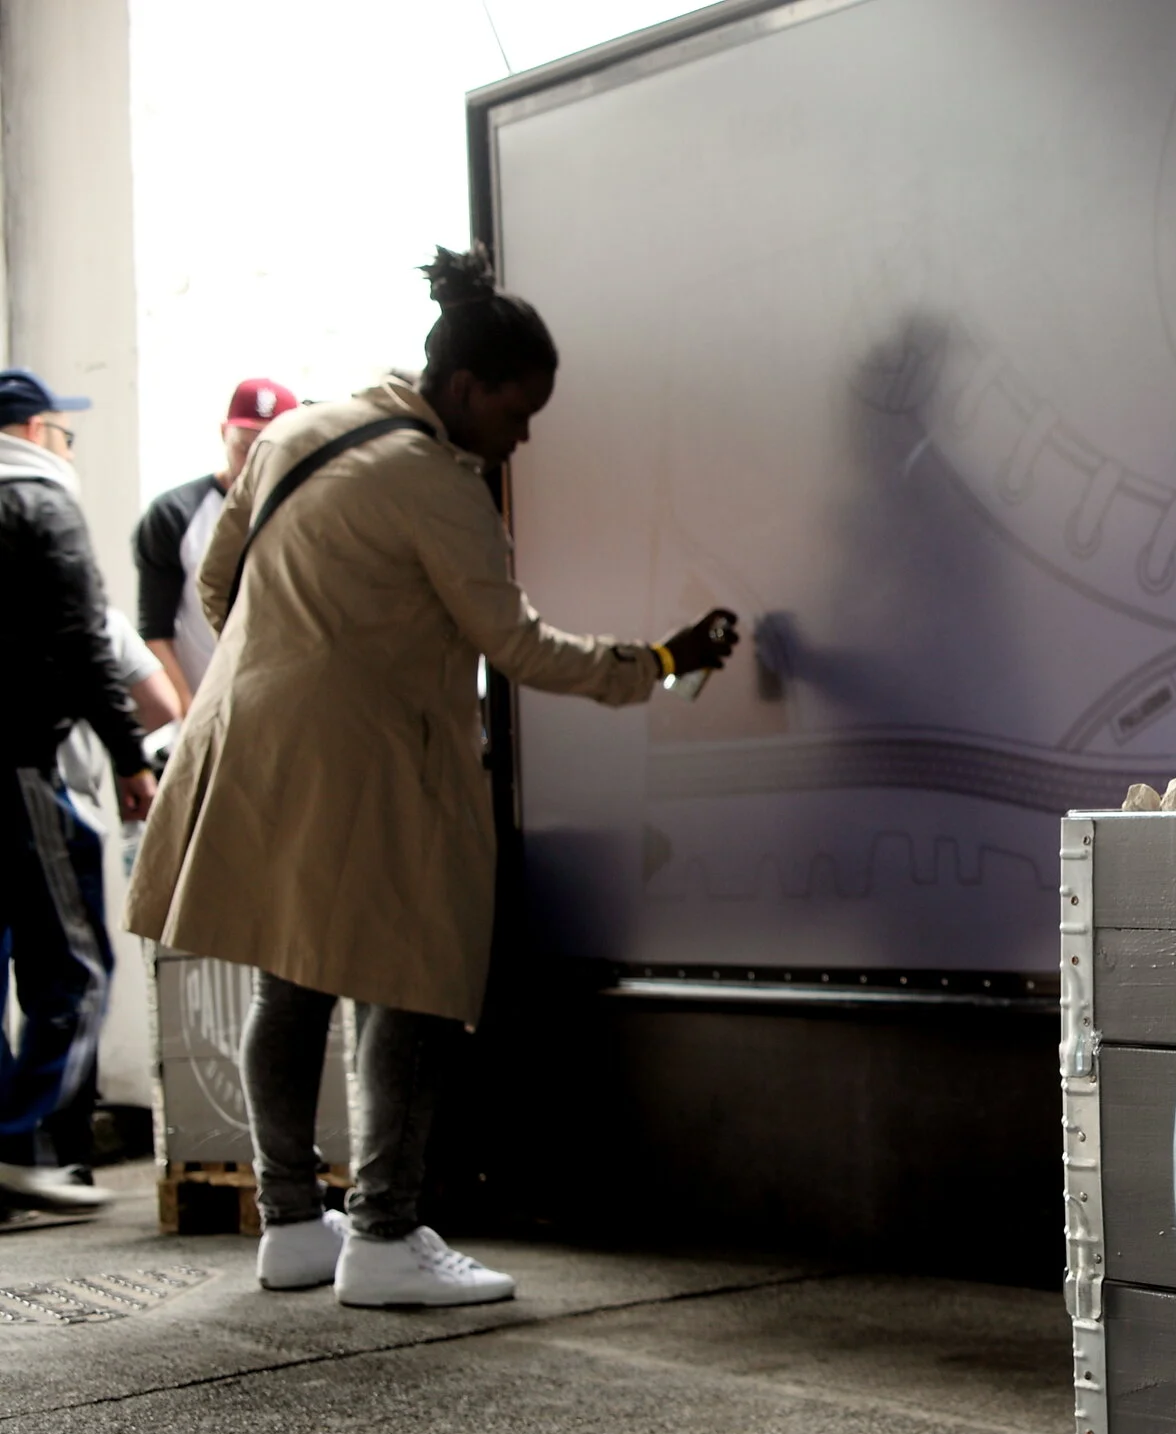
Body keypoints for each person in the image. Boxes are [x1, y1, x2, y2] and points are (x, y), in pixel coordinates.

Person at [128, 248, 738, 1307]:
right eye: (518, 411)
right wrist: (662, 661)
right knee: (409, 981)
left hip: (253, 742)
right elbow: (520, 646)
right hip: (369, 766)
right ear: (463, 387)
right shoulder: (439, 487)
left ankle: (291, 1223)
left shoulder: (296, 433)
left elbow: (219, 583)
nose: (524, 436)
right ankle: (383, 1232)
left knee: (290, 978)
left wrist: (296, 664)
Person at [0, 368, 158, 1216]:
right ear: (33, 432)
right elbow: (83, 640)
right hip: (21, 763)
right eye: (65, 432)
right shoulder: (41, 502)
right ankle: (24, 1143)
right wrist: (131, 757)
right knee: (78, 962)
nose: (68, 448)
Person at [133, 378, 301, 711]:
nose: (254, 463)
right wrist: (189, 711)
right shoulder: (176, 513)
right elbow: (156, 629)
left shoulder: (309, 515)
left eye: (269, 449)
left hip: (285, 705)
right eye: (244, 447)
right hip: (207, 701)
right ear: (224, 433)